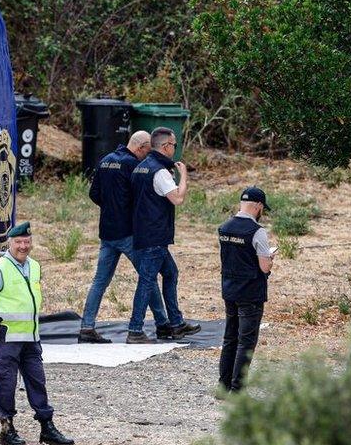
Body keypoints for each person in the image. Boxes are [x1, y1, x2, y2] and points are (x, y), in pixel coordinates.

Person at [0, 222, 74, 445]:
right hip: (8, 337)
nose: (23, 246)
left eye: (27, 242)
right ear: (10, 243)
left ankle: (46, 426)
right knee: (7, 384)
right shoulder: (0, 268)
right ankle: (6, 427)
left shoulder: (35, 266)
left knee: (37, 382)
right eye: (19, 242)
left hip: (31, 337)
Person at [79, 131, 171, 343]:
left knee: (100, 281)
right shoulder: (134, 166)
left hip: (107, 232)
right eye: (148, 151)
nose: (148, 156)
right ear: (141, 147)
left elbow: (94, 194)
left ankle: (87, 326)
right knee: (148, 277)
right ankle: (162, 324)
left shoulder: (106, 161)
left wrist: (111, 208)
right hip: (129, 233)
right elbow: (141, 198)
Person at [125, 127, 201, 344]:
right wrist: (183, 175)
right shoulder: (159, 171)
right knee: (147, 282)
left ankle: (175, 324)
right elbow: (177, 198)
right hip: (154, 236)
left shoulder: (140, 167)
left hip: (144, 232)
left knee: (171, 273)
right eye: (174, 145)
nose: (174, 149)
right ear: (166, 146)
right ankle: (135, 329)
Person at [217, 187, 273, 392]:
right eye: (262, 208)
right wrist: (270, 260)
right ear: (258, 206)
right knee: (246, 342)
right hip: (250, 292)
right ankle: (237, 389)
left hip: (229, 289)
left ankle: (223, 387)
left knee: (229, 338)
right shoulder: (257, 231)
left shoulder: (224, 228)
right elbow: (264, 266)